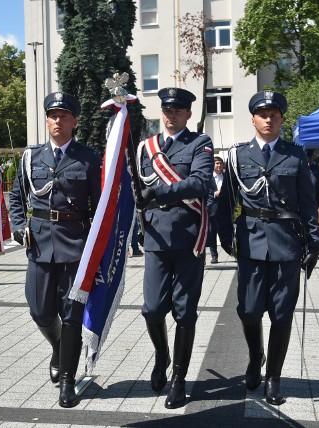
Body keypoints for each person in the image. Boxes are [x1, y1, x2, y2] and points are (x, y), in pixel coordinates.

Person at [217, 91, 319, 406]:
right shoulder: (238, 155)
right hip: (250, 242)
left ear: (281, 119)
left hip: (287, 243)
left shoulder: (295, 155)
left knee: (281, 316)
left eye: (274, 114)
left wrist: (314, 240)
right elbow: (226, 202)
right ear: (253, 119)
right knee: (248, 311)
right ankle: (255, 356)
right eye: (263, 114)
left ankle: (273, 377)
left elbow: (308, 202)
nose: (268, 119)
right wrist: (225, 236)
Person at [9, 91, 101, 408]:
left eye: (63, 115)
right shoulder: (31, 158)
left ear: (74, 121)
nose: (57, 121)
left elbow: (100, 205)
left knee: (72, 315)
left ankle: (67, 381)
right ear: (46, 119)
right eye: (52, 115)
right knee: (40, 310)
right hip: (40, 244)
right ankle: (58, 345)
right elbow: (16, 197)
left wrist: (97, 246)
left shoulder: (88, 158)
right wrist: (19, 225)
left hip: (76, 245)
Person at [135, 87, 214, 409]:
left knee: (184, 313)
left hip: (187, 238)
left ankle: (179, 378)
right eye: (167, 111)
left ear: (188, 114)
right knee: (152, 309)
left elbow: (200, 183)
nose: (171, 116)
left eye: (178, 111)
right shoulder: (146, 147)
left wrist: (157, 194)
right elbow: (136, 184)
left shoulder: (200, 144)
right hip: (156, 238)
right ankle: (162, 356)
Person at [207, 156, 224, 263]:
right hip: (212, 210)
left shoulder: (227, 177)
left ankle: (233, 253)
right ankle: (214, 256)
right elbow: (205, 192)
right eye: (217, 163)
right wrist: (215, 193)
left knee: (227, 232)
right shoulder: (208, 178)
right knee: (212, 234)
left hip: (224, 209)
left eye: (220, 163)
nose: (219, 165)